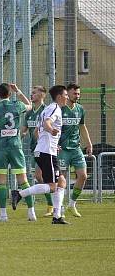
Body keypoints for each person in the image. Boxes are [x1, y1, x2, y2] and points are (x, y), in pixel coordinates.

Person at [12, 84, 69, 224]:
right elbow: (47, 124)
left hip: (44, 150)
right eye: (66, 95)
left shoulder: (47, 109)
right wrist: (51, 132)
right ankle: (19, 193)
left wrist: (50, 143)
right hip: (46, 152)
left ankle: (57, 216)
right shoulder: (54, 108)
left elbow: (37, 132)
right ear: (60, 96)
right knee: (52, 186)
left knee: (61, 182)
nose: (67, 98)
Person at [0, 83, 34, 222]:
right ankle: (31, 212)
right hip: (16, 147)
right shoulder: (17, 105)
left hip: (1, 148)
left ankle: (3, 215)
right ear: (10, 94)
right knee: (23, 180)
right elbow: (30, 106)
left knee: (1, 182)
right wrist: (19, 91)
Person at [59, 83, 93, 217]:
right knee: (61, 178)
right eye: (75, 93)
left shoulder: (80, 109)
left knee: (83, 176)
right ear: (67, 93)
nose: (77, 96)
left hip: (76, 148)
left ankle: (72, 204)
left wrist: (89, 144)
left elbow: (82, 127)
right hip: (62, 149)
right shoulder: (60, 109)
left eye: (79, 94)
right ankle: (59, 206)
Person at [21, 85, 53, 216]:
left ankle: (53, 205)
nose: (31, 95)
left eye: (34, 93)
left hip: (47, 148)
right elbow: (23, 130)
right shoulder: (29, 113)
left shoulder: (47, 111)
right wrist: (21, 134)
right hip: (35, 149)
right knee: (41, 177)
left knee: (42, 176)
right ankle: (54, 204)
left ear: (42, 95)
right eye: (31, 93)